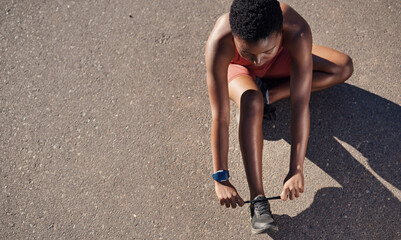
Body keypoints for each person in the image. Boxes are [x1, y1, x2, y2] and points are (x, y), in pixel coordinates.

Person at [205, 0, 353, 234]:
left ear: (280, 32)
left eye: (266, 50)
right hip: (238, 71)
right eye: (248, 52)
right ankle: (258, 200)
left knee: (343, 67)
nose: (257, 60)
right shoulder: (220, 40)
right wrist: (220, 177)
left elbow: (300, 105)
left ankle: (269, 93)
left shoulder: (297, 30)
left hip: (279, 64)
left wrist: (296, 168)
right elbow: (220, 116)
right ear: (234, 36)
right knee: (251, 102)